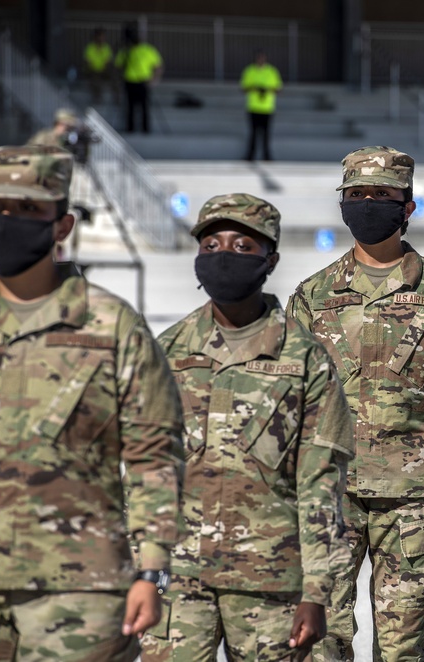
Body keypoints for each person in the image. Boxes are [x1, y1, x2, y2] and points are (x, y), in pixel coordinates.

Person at [0, 145, 185, 658]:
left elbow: (152, 456)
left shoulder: (112, 326)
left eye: (27, 209)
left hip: (82, 589)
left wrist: (151, 568)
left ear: (62, 225)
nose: (5, 222)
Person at [287, 146, 424, 662]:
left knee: (402, 643)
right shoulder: (313, 294)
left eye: (382, 195)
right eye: (357, 195)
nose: (368, 204)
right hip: (331, 491)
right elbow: (289, 400)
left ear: (408, 208)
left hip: (415, 493)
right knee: (323, 635)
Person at [140, 194, 354, 660]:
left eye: (242, 245)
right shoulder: (167, 351)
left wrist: (317, 592)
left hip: (271, 583)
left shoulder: (304, 359)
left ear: (270, 260)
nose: (223, 255)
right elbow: (144, 472)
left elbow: (320, 486)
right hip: (178, 579)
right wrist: (139, 571)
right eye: (211, 244)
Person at [116, 27, 163, 134]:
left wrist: (154, 79)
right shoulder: (126, 50)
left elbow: (158, 66)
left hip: (143, 82)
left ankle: (145, 130)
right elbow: (118, 66)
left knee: (144, 107)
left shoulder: (148, 49)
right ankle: (130, 129)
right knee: (130, 107)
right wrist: (119, 79)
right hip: (129, 81)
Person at [240, 51, 283, 161]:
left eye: (262, 58)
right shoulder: (249, 71)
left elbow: (278, 88)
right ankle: (250, 156)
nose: (260, 60)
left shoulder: (272, 71)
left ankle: (266, 156)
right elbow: (243, 88)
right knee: (253, 134)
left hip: (267, 108)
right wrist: (255, 88)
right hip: (253, 107)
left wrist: (266, 89)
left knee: (266, 135)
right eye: (258, 58)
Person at [84, 28, 114, 105]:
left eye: (102, 37)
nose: (101, 38)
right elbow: (88, 61)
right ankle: (97, 99)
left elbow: (108, 60)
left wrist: (105, 69)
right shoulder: (90, 47)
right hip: (93, 70)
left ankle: (116, 100)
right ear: (95, 37)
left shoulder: (106, 47)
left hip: (104, 70)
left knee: (115, 79)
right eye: (100, 36)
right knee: (95, 81)